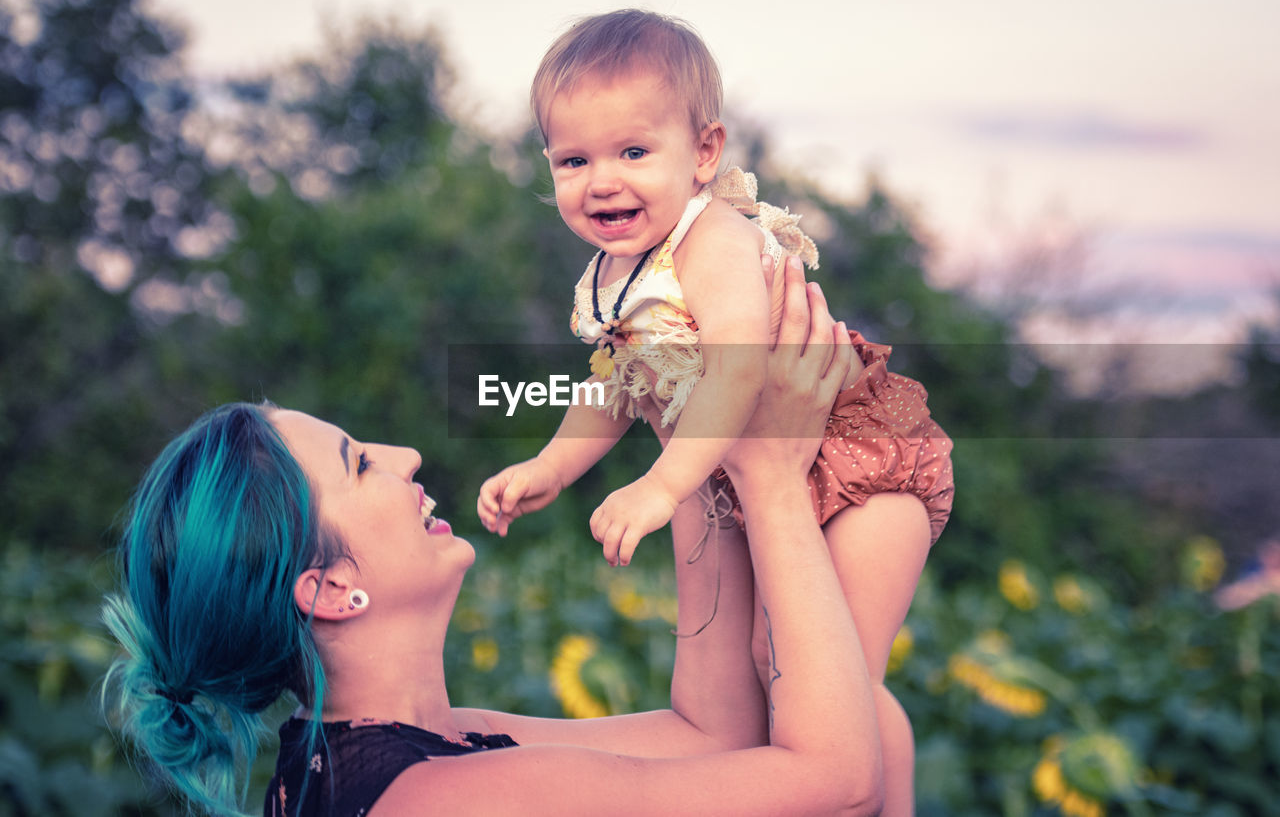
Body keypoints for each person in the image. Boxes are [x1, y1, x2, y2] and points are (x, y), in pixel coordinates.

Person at [101, 261, 885, 816]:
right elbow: (843, 787)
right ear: (329, 588)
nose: (405, 457)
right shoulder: (449, 797)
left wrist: (693, 431)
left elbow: (714, 735)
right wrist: (774, 482)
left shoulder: (399, 752)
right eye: (360, 462)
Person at [477, 8, 954, 814]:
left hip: (863, 464)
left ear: (704, 152)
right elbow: (616, 383)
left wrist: (664, 486)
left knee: (816, 669)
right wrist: (549, 466)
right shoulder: (614, 275)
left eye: (633, 151)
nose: (602, 179)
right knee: (775, 680)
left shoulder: (715, 237)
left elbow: (737, 371)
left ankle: (891, 793)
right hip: (767, 470)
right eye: (573, 159)